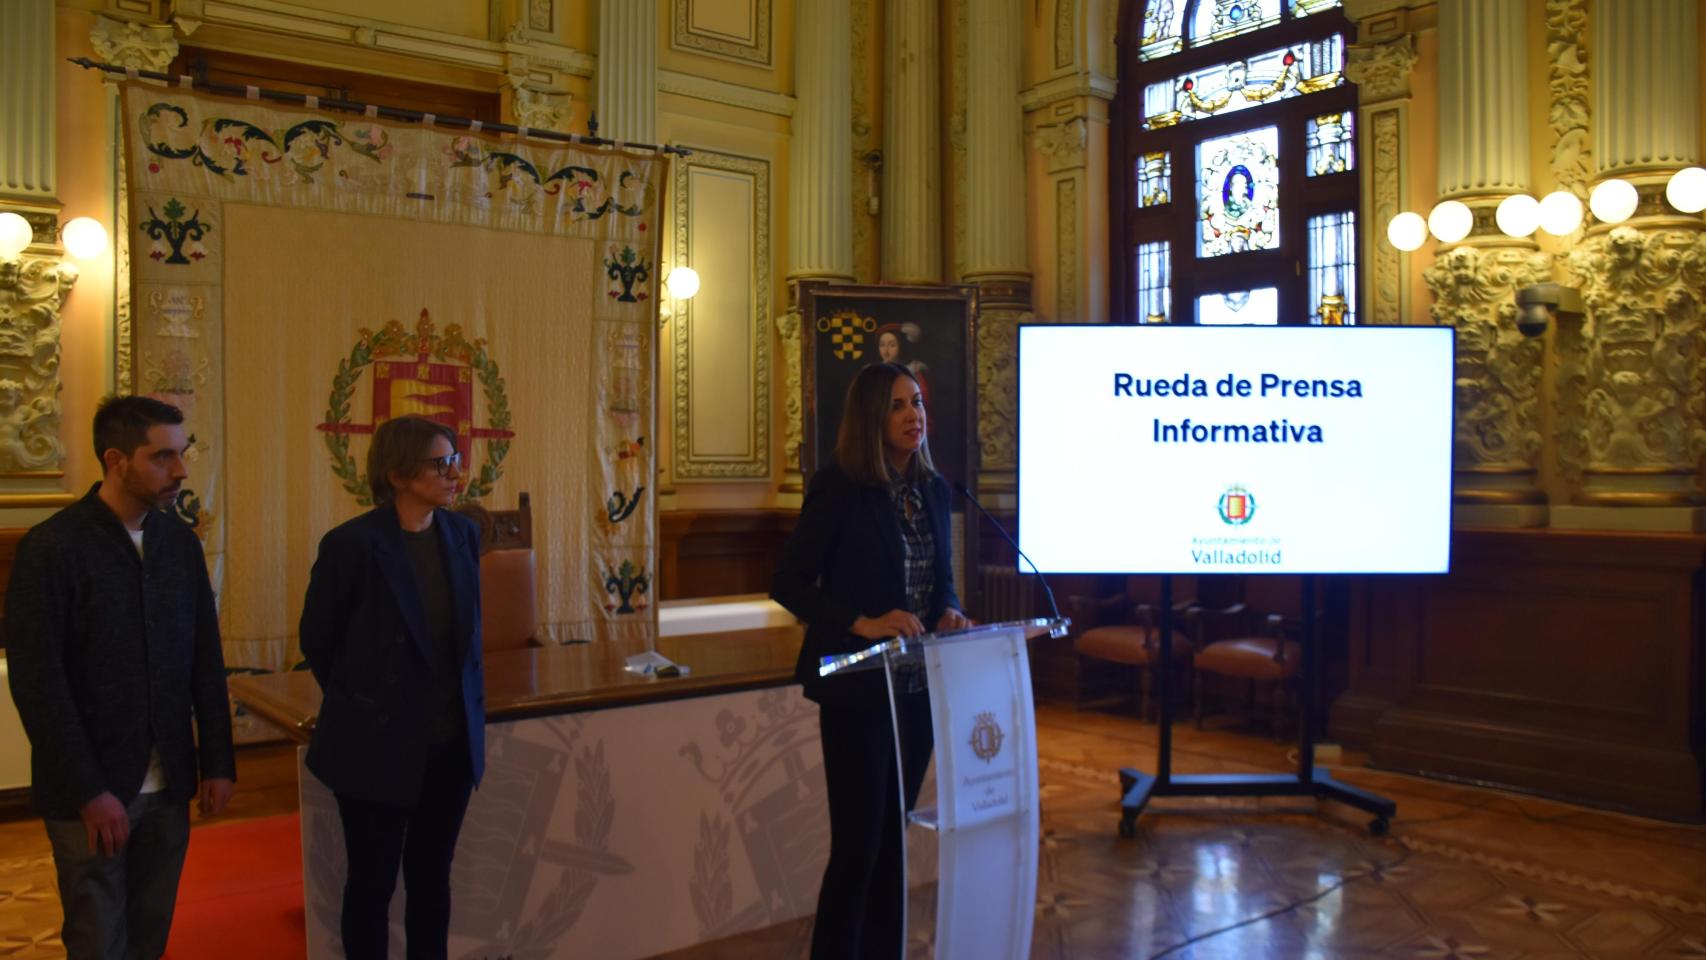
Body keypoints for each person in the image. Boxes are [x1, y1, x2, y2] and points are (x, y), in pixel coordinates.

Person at [5, 395, 236, 960]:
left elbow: (205, 658)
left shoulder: (178, 544)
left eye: (181, 454)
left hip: (170, 782)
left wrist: (218, 761)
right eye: (162, 457)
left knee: (150, 934)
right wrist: (89, 792)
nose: (180, 471)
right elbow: (39, 683)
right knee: (97, 941)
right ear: (116, 459)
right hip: (92, 791)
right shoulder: (53, 547)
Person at [771, 362, 971, 959]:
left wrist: (951, 611)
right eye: (898, 406)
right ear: (870, 417)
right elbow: (789, 583)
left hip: (916, 690)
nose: (915, 415)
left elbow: (942, 583)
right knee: (859, 847)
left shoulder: (934, 490)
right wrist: (861, 623)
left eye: (918, 403)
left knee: (892, 842)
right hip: (859, 691)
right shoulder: (839, 487)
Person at [299, 416, 486, 960]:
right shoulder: (352, 545)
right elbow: (319, 641)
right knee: (372, 884)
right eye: (440, 463)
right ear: (398, 473)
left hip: (449, 745)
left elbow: (464, 639)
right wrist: (368, 705)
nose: (455, 473)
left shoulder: (462, 535)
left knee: (432, 877)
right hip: (374, 748)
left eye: (455, 459)